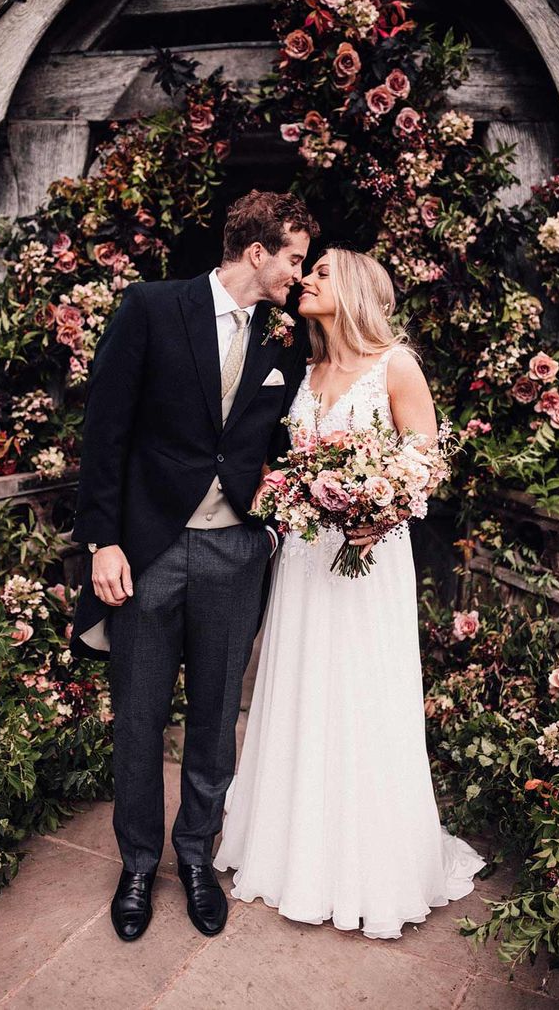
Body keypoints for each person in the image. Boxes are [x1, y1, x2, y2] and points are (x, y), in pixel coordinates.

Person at [69, 190, 320, 941]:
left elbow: (286, 445)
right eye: (295, 259)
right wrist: (102, 541)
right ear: (257, 252)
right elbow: (104, 431)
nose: (299, 276)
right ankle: (139, 865)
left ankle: (197, 859)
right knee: (141, 718)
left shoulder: (284, 340)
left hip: (236, 552)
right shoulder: (151, 307)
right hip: (148, 549)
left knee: (215, 719)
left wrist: (269, 533)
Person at [214, 247, 485, 938]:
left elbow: (425, 460)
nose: (306, 278)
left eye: (322, 271)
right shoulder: (303, 371)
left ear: (357, 289)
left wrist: (382, 511)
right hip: (306, 557)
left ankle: (369, 867)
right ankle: (292, 852)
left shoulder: (395, 364)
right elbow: (290, 460)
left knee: (363, 693)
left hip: (368, 556)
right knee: (303, 687)